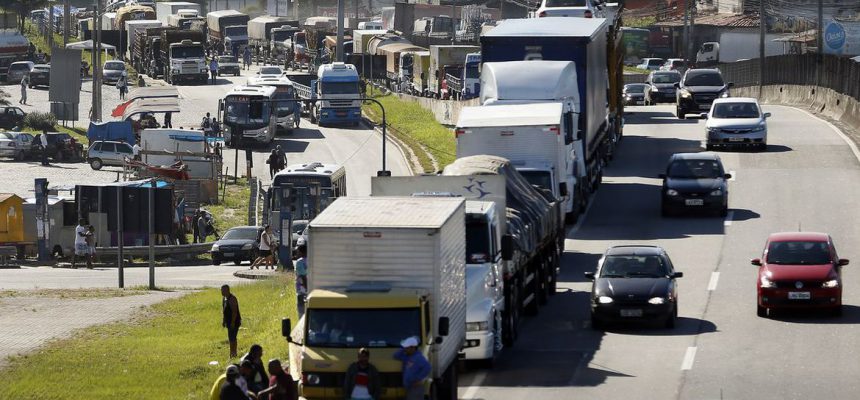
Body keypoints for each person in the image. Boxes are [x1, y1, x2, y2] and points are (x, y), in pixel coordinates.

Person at [222, 284, 242, 358]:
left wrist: (233, 322)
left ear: (227, 290)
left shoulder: (232, 299)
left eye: (223, 290)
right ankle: (233, 353)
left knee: (232, 338)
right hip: (228, 322)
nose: (221, 292)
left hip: (234, 322)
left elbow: (234, 312)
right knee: (231, 338)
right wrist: (224, 320)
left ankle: (233, 354)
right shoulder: (224, 298)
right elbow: (224, 310)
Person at [294, 245, 308, 316]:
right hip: (311, 289)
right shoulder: (311, 261)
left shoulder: (299, 262)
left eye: (298, 252)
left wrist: (306, 287)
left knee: (301, 311)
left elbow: (303, 276)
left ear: (301, 252)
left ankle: (301, 323)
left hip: (301, 289)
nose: (296, 253)